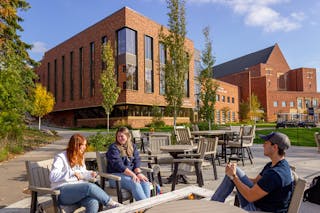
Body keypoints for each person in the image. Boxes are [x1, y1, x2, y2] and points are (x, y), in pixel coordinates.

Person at [211, 132, 294, 212]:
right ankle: (211, 207)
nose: (263, 145)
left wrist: (233, 177)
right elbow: (255, 181)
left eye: (266, 143)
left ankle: (211, 207)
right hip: (258, 203)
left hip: (259, 209)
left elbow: (250, 196)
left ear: (275, 147)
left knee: (233, 176)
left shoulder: (275, 174)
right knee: (236, 172)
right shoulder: (273, 165)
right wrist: (233, 174)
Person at [50, 134, 121, 212]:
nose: (85, 147)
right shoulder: (61, 157)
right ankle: (111, 203)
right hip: (62, 193)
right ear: (75, 145)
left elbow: (82, 174)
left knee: (93, 202)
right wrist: (72, 173)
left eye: (85, 145)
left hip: (78, 191)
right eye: (82, 145)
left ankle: (111, 203)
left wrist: (90, 174)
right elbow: (52, 176)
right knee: (89, 187)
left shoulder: (80, 156)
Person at [106, 127, 150, 201]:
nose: (119, 138)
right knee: (135, 182)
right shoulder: (113, 148)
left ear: (128, 136)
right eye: (118, 136)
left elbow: (136, 161)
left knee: (144, 181)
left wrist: (138, 173)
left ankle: (142, 208)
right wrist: (133, 175)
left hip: (128, 175)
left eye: (122, 136)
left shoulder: (132, 146)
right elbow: (119, 165)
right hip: (115, 177)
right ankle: (144, 207)